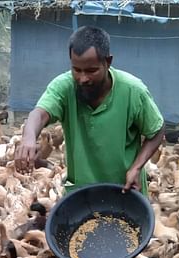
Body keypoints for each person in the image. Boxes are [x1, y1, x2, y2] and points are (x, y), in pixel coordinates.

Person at [14, 26, 165, 195]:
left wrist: (137, 167)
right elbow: (39, 114)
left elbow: (157, 130)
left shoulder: (133, 91)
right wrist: (28, 137)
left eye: (91, 71)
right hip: (81, 196)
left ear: (108, 62)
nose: (83, 78)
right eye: (76, 70)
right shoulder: (64, 87)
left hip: (125, 191)